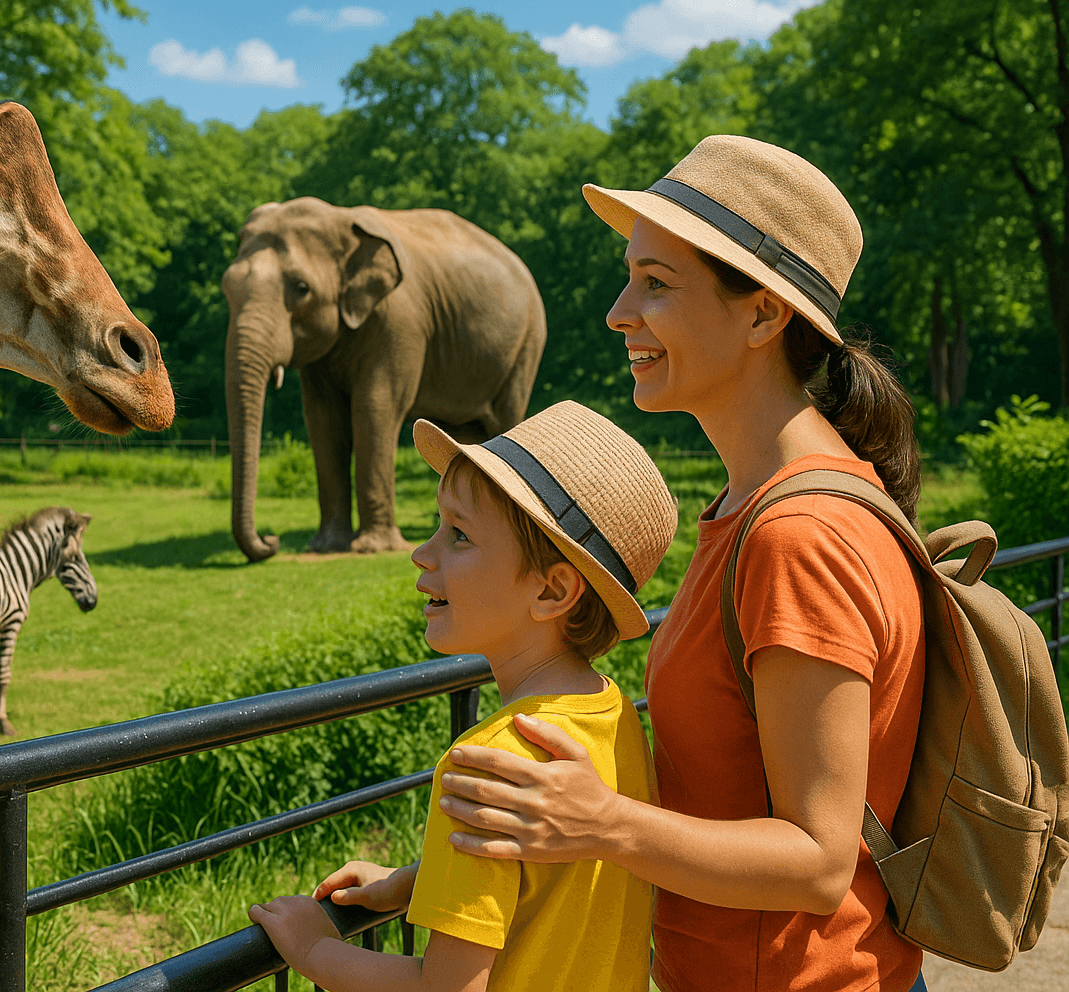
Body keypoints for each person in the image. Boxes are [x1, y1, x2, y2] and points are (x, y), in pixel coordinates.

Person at [396, 135, 927, 992]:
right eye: (629, 275)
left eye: (656, 284)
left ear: (763, 315)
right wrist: (441, 883)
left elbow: (818, 860)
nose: (617, 311)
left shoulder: (800, 535)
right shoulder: (753, 506)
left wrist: (604, 822)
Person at [249, 400, 678, 992]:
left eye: (459, 534)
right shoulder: (612, 717)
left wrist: (314, 949)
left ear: (553, 590)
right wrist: (417, 882)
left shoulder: (488, 763)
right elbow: (547, 882)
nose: (422, 554)